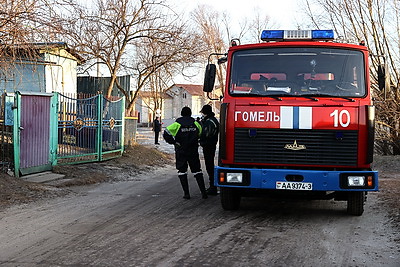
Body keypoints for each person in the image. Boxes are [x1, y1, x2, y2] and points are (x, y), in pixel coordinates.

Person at [163, 107, 208, 199]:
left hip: (181, 151)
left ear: (182, 113)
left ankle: (186, 194)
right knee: (197, 170)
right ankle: (203, 193)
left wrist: (174, 142)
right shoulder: (196, 123)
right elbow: (201, 134)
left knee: (182, 171)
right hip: (193, 151)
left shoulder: (177, 124)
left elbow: (166, 133)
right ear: (190, 113)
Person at [199, 104, 219, 195]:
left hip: (209, 146)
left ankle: (213, 187)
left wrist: (201, 141)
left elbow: (206, 134)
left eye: (203, 112)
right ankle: (213, 185)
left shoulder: (210, 122)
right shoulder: (212, 120)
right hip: (211, 145)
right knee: (209, 165)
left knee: (209, 166)